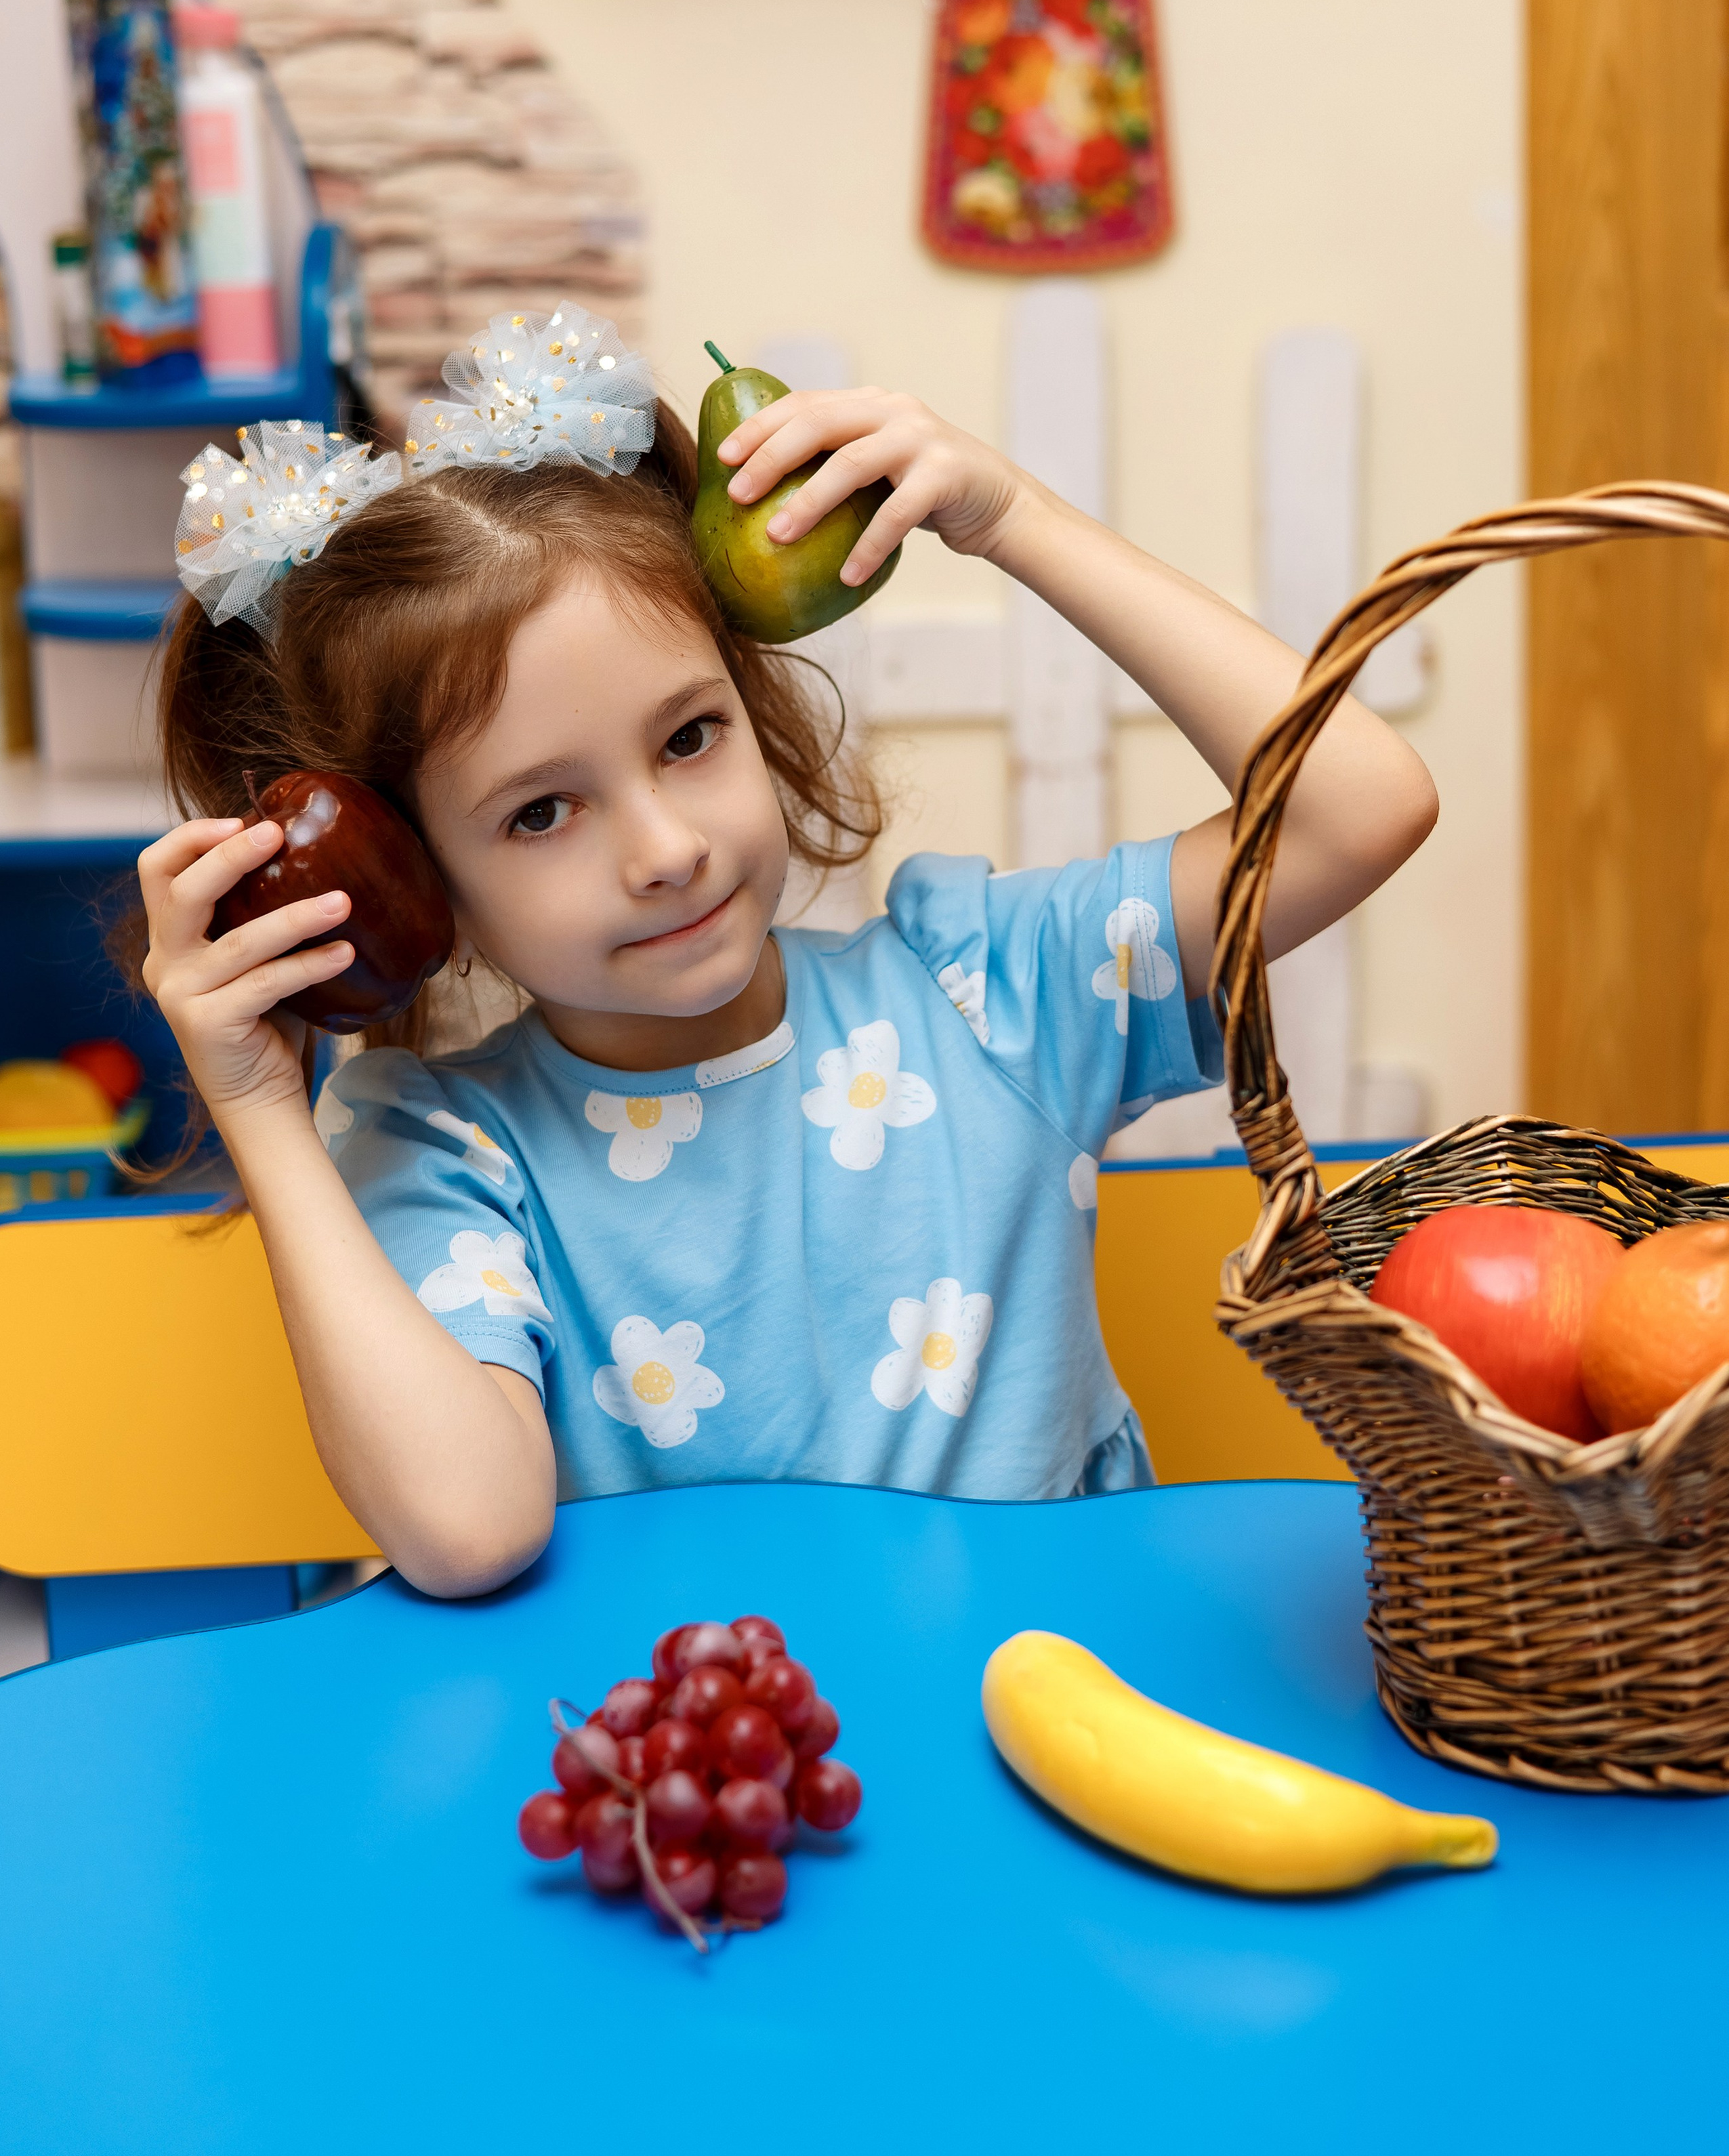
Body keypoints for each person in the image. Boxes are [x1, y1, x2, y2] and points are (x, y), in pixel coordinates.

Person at [138, 303, 1436, 1599]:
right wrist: (256, 1101)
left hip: (1050, 1737)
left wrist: (1010, 517)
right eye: (541, 811)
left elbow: (1359, 807)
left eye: (689, 738)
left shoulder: (986, 996)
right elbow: (472, 1528)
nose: (663, 848)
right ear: (422, 883)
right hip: (715, 1786)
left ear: (752, 708)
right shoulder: (451, 1151)